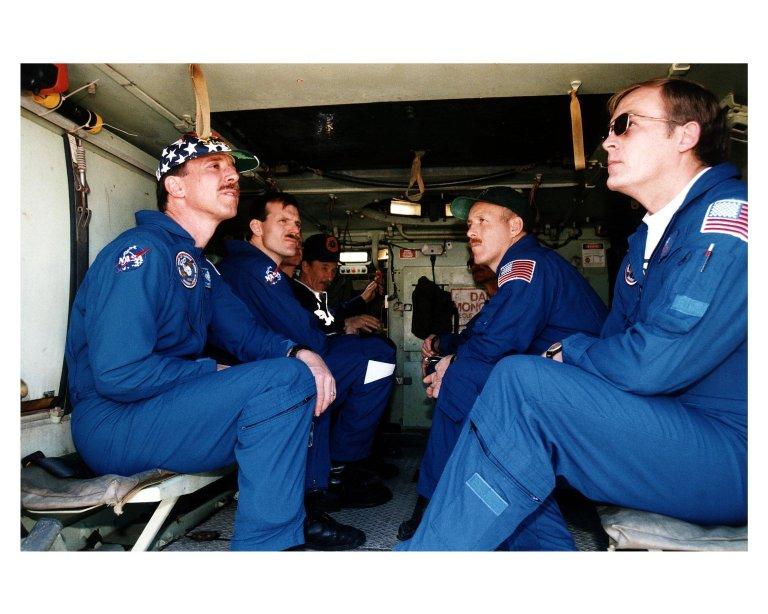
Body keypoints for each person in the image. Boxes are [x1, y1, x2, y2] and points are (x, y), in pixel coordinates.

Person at [397, 77, 747, 551]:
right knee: (517, 398)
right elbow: (608, 343)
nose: (607, 140)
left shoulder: (725, 222)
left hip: (729, 453)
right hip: (670, 423)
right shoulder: (649, 240)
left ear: (685, 136)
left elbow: (653, 361)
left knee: (518, 382)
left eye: (625, 125)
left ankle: (424, 551)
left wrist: (567, 352)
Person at [64, 132, 338, 551]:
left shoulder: (197, 265)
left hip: (155, 409)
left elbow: (244, 332)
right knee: (284, 383)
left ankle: (282, 531)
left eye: (232, 170)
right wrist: (210, 369)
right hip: (113, 421)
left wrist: (302, 352)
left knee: (292, 374)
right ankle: (267, 550)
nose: (230, 176)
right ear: (175, 187)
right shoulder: (142, 252)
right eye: (214, 167)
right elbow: (120, 373)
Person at [396, 186, 608, 541]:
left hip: (584, 390)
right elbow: (486, 329)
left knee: (463, 377)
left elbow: (499, 340)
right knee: (461, 371)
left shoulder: (527, 265)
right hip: (565, 382)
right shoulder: (521, 267)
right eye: (469, 223)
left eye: (482, 220)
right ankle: (457, 493)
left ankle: (436, 501)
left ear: (514, 227)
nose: (470, 230)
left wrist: (451, 364)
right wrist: (443, 346)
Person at [218, 194, 396, 530]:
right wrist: (334, 335)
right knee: (367, 357)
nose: (294, 229)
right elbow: (307, 334)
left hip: (269, 366)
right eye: (282, 221)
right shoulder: (255, 270)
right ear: (256, 227)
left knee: (372, 353)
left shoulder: (253, 268)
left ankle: (337, 468)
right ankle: (325, 481)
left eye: (297, 223)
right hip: (264, 376)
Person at [291, 233, 385, 335]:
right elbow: (308, 330)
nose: (330, 277)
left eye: (333, 270)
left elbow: (333, 315)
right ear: (306, 266)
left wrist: (362, 299)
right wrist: (345, 324)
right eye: (324, 268)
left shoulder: (314, 296)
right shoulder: (292, 296)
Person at [420, 255, 498, 363]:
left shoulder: (508, 304)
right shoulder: (489, 309)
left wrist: (450, 358)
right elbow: (463, 340)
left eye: (480, 259)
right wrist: (435, 342)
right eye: (471, 261)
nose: (475, 263)